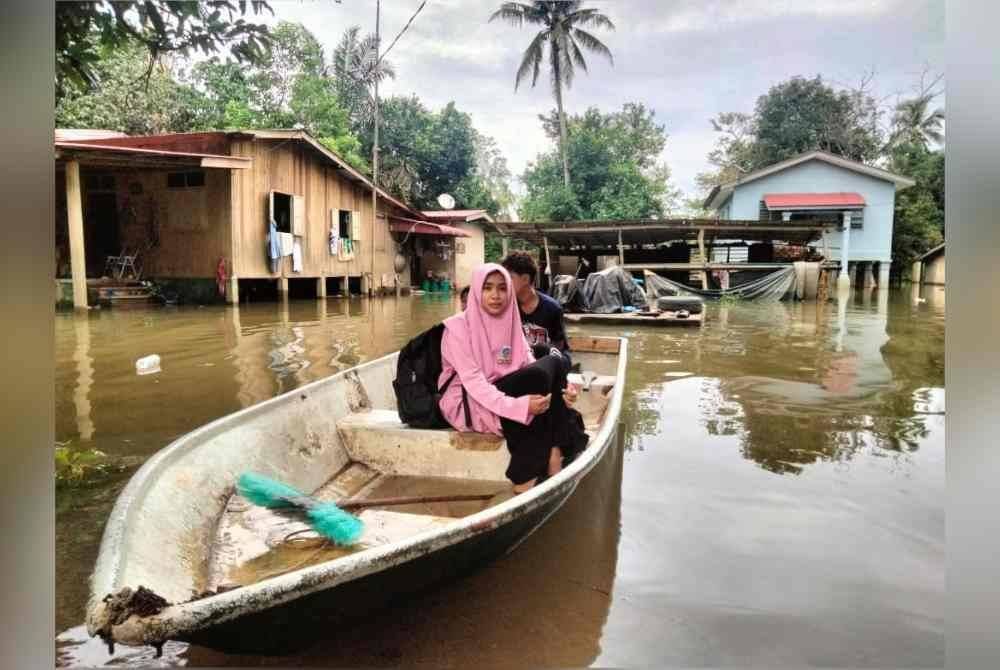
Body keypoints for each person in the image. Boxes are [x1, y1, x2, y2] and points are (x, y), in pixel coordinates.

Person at [438, 264, 588, 493]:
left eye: (501, 288)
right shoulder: (456, 329)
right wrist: (517, 406)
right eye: (487, 288)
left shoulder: (510, 320)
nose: (496, 296)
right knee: (544, 371)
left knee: (550, 359)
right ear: (477, 290)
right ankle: (527, 474)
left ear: (510, 291)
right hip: (469, 401)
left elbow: (527, 360)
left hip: (502, 390)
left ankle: (554, 449)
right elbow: (475, 384)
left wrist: (562, 388)